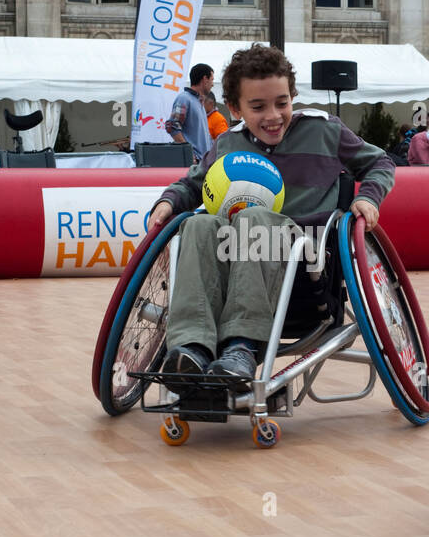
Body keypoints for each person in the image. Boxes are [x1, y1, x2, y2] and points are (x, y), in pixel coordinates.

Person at [145, 44, 394, 379]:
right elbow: (191, 184)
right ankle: (190, 347)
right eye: (258, 106)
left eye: (282, 103)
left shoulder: (324, 130)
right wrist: (166, 203)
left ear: (293, 96)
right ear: (235, 108)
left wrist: (369, 198)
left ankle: (242, 348)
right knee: (199, 224)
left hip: (305, 269)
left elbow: (380, 162)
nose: (274, 115)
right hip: (233, 268)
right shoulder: (228, 144)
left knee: (253, 218)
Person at [165, 62, 215, 161]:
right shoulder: (184, 99)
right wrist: (189, 154)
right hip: (194, 164)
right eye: (212, 79)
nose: (213, 84)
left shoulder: (199, 102)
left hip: (202, 163)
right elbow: (172, 126)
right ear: (205, 79)